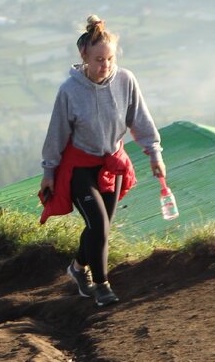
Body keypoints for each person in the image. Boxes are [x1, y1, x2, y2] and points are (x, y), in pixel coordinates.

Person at [39, 15, 166, 307]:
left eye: (109, 59)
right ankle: (102, 285)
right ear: (83, 56)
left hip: (112, 164)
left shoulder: (126, 80)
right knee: (98, 225)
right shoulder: (69, 91)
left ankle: (77, 268)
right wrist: (49, 172)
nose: (104, 66)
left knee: (102, 227)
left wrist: (154, 154)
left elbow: (140, 121)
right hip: (81, 166)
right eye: (98, 59)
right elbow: (57, 134)